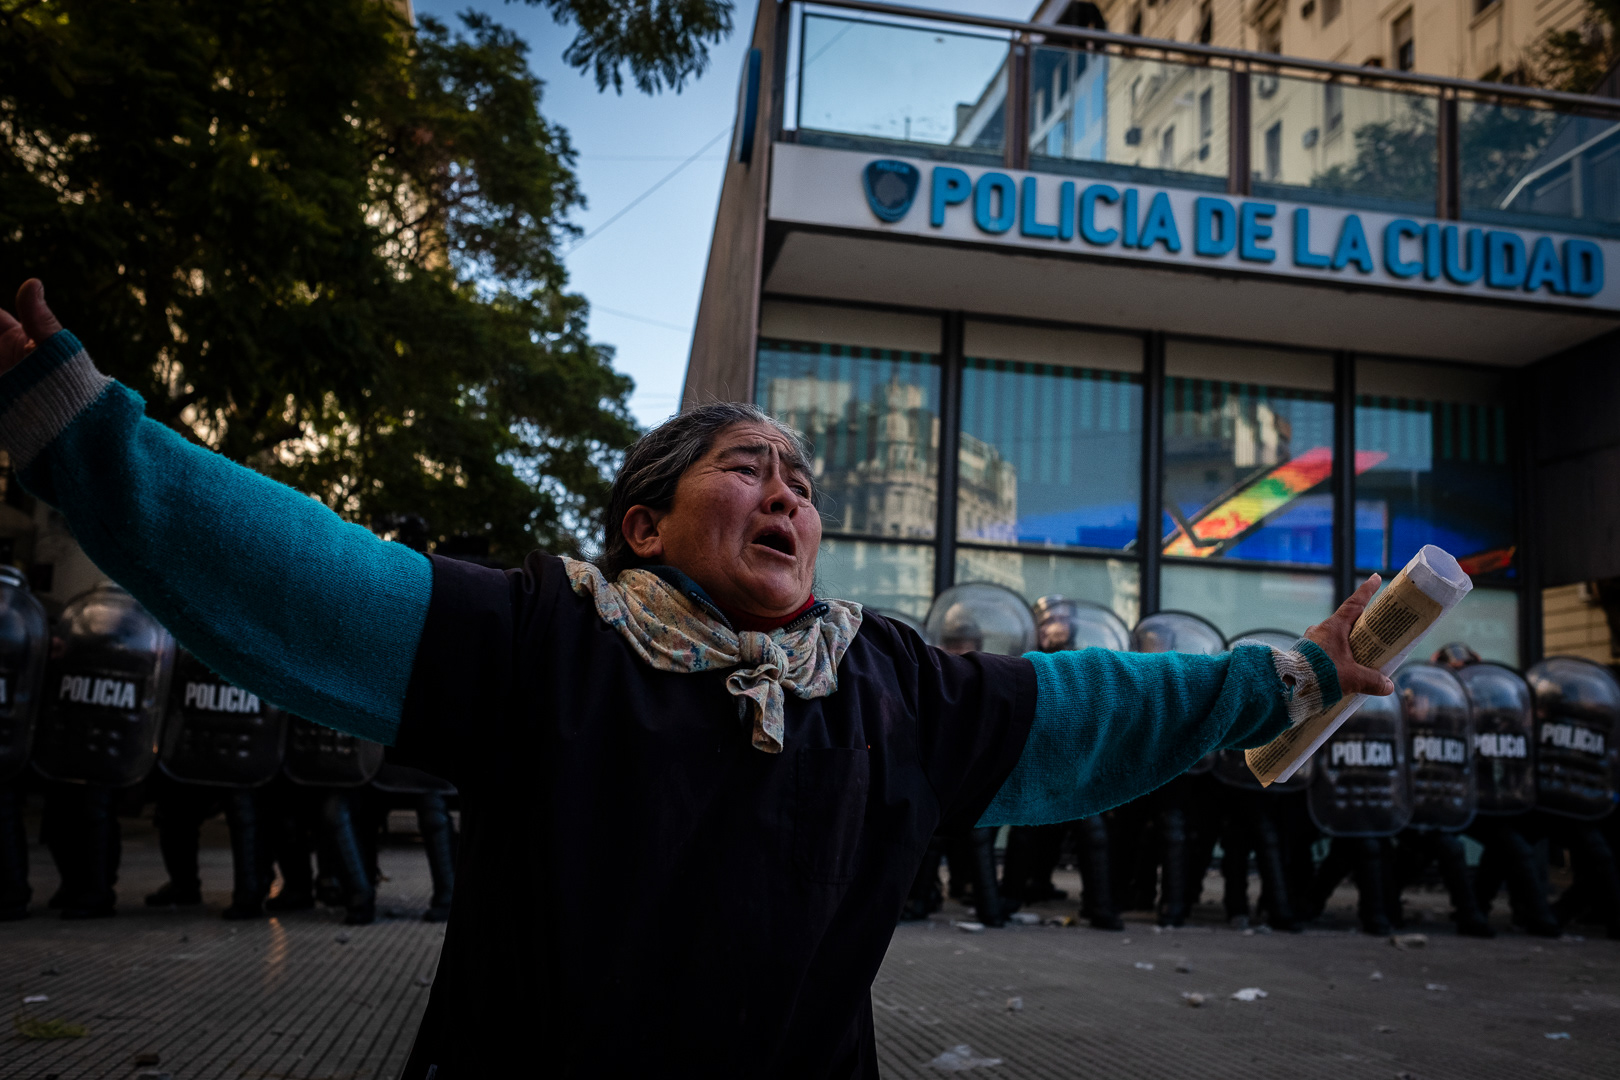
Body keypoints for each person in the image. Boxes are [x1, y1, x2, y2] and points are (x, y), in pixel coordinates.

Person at [0, 280, 1392, 1077]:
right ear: (644, 524)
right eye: (747, 468)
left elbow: (1105, 708)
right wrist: (79, 428)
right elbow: (297, 576)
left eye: (804, 480)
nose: (788, 492)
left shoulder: (896, 685)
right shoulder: (542, 635)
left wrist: (1295, 675)